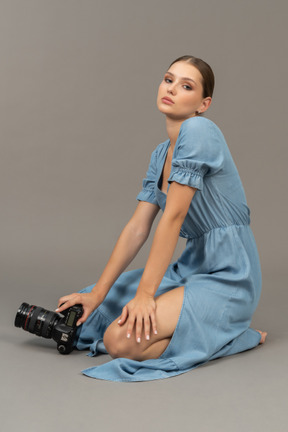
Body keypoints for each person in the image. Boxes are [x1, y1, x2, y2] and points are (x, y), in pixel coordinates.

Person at [56, 55, 267, 382]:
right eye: (168, 80)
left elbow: (174, 216)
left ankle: (233, 337)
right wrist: (98, 292)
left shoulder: (200, 131)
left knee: (118, 341)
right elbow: (138, 227)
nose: (171, 89)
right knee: (88, 313)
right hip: (190, 266)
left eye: (186, 86)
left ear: (203, 103)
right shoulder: (160, 153)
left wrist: (144, 295)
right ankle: (195, 326)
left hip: (229, 274)